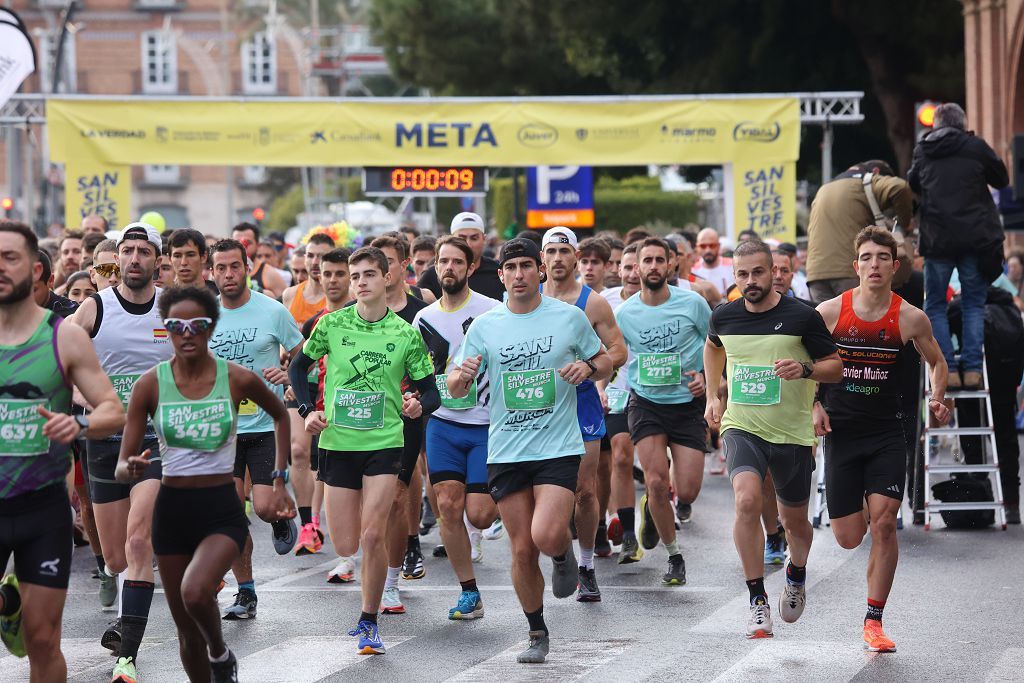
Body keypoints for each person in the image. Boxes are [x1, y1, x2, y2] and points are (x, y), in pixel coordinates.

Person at [117, 286, 296, 682]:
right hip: (173, 511)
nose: (187, 333)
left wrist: (279, 477)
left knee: (196, 591)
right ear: (166, 329)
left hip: (220, 510)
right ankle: (209, 660)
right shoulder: (149, 385)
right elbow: (122, 465)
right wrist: (129, 468)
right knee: (186, 633)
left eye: (196, 325)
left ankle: (220, 653)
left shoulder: (235, 378)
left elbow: (280, 415)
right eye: (176, 326)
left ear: (210, 328)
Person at [448, 237, 611, 664]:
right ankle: (537, 631)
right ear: (500, 275)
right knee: (521, 549)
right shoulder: (485, 325)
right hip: (506, 448)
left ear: (540, 270)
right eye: (510, 268)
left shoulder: (569, 318)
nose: (519, 274)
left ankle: (561, 554)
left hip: (558, 445)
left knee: (545, 534)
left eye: (526, 266)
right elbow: (454, 384)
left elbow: (607, 359)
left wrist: (589, 368)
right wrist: (461, 377)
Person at [288, 246, 439, 655]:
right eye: (355, 277)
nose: (360, 282)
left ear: (387, 277)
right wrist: (307, 411)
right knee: (346, 543)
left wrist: (418, 405)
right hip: (338, 444)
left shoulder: (405, 333)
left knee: (374, 534)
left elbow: (431, 390)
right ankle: (363, 595)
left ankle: (369, 620)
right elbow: (297, 368)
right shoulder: (331, 325)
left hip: (385, 442)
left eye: (369, 275)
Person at [815, 227, 950, 652]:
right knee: (849, 538)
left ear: (896, 266)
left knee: (886, 522)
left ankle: (874, 620)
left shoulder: (910, 317)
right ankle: (853, 509)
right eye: (867, 258)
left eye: (882, 258)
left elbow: (938, 362)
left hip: (889, 433)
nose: (874, 265)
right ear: (856, 266)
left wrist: (938, 397)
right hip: (842, 434)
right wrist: (814, 404)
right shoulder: (830, 313)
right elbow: (807, 364)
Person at [0, 221, 124, 681]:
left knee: (42, 639)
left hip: (41, 510)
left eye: (10, 258)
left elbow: (113, 410)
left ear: (35, 271)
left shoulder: (63, 336)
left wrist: (79, 423)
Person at [703, 239, 842, 639]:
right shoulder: (724, 316)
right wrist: (714, 394)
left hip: (791, 432)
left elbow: (836, 367)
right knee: (746, 499)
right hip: (742, 425)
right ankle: (757, 599)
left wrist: (804, 369)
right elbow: (712, 348)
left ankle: (796, 574)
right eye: (742, 274)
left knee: (794, 522)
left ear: (775, 272)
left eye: (758, 272)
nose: (750, 281)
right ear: (735, 275)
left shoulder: (801, 316)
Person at [68, 222, 173, 682]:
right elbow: (61, 360)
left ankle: (127, 652)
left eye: (143, 252)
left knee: (137, 542)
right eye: (127, 251)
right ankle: (126, 597)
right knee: (114, 558)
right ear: (118, 259)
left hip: (155, 441)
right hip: (103, 440)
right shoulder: (94, 308)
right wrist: (81, 400)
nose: (134, 259)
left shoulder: (172, 308)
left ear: (156, 260)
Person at [207, 239, 304, 620]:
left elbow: (302, 354)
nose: (228, 274)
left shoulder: (272, 311)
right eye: (221, 268)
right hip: (222, 431)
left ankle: (280, 517)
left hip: (266, 426)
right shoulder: (205, 315)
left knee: (262, 507)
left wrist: (289, 378)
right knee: (230, 516)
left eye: (235, 266)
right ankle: (246, 593)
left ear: (247, 267)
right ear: (211, 273)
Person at [412, 235, 501, 619]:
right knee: (447, 505)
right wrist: (414, 396)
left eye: (456, 262)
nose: (448, 268)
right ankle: (469, 592)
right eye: (442, 262)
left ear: (470, 268)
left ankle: (493, 517)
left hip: (486, 423)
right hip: (443, 423)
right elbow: (415, 372)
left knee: (479, 514)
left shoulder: (492, 311)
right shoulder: (423, 318)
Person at [614, 237, 710, 585]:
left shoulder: (694, 304)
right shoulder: (624, 313)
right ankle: (674, 556)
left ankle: (657, 509)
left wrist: (706, 379)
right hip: (646, 403)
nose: (654, 266)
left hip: (687, 405)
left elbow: (716, 347)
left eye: (660, 260)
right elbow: (613, 356)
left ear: (671, 265)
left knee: (686, 492)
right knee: (655, 481)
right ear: (636, 267)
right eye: (647, 260)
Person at [540, 227, 626, 602]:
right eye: (551, 251)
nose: (558, 258)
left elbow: (618, 351)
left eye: (564, 251)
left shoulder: (593, 304)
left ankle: (587, 565)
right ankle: (559, 554)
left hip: (581, 402)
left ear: (576, 257)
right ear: (542, 259)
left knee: (584, 490)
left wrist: (590, 368)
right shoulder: (525, 297)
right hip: (536, 405)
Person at [908, 103, 1010, 390]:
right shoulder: (975, 146)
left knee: (936, 305)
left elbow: (912, 182)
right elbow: (1002, 179)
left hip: (938, 239)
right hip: (975, 240)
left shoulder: (923, 149)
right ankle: (974, 370)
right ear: (963, 124)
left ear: (936, 126)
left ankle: (947, 369)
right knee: (974, 304)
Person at [366, 235, 431, 612]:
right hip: (365, 418)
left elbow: (434, 365)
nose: (383, 270)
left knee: (396, 493)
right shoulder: (358, 311)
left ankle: (396, 569)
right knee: (373, 502)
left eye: (389, 262)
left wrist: (418, 399)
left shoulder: (420, 313)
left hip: (407, 416)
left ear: (402, 266)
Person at [296, 248, 355, 580]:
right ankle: (345, 556)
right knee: (331, 483)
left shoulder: (370, 318)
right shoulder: (313, 322)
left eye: (339, 273)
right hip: (328, 417)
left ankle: (390, 564)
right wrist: (304, 404)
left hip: (369, 418)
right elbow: (298, 366)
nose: (332, 280)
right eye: (326, 273)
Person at [281, 232, 335, 555]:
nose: (315, 262)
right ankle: (308, 526)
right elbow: (283, 343)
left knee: (323, 457)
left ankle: (318, 517)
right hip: (300, 381)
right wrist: (283, 371)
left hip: (332, 384)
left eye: (322, 256)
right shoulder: (291, 294)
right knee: (299, 452)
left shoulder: (341, 296)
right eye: (311, 256)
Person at [805, 160, 912, 304]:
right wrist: (903, 223)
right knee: (860, 325)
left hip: (816, 275)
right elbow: (899, 187)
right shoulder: (865, 181)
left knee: (826, 324)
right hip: (849, 272)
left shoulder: (824, 189)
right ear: (876, 173)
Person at [599, 243, 643, 562]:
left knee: (656, 471)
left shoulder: (670, 300)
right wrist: (600, 385)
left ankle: (657, 504)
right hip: (619, 390)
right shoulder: (607, 303)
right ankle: (628, 534)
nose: (632, 273)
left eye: (637, 267)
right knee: (622, 456)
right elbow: (599, 349)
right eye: (626, 267)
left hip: (661, 393)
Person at [418, 213, 505, 301]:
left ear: (484, 239)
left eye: (474, 238)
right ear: (452, 239)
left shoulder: (500, 271)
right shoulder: (432, 274)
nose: (468, 244)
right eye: (461, 238)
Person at [231, 223, 285, 299]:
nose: (242, 247)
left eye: (248, 243)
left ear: (257, 245)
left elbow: (285, 304)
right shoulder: (225, 273)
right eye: (237, 243)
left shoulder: (270, 273)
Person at [168, 228, 217, 293]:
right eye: (177, 256)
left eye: (190, 255)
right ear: (170, 259)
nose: (183, 262)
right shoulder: (159, 300)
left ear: (204, 257)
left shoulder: (221, 296)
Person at [692, 227, 733, 297]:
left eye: (712, 245)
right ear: (697, 247)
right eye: (703, 246)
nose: (708, 250)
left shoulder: (733, 266)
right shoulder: (692, 271)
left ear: (718, 246)